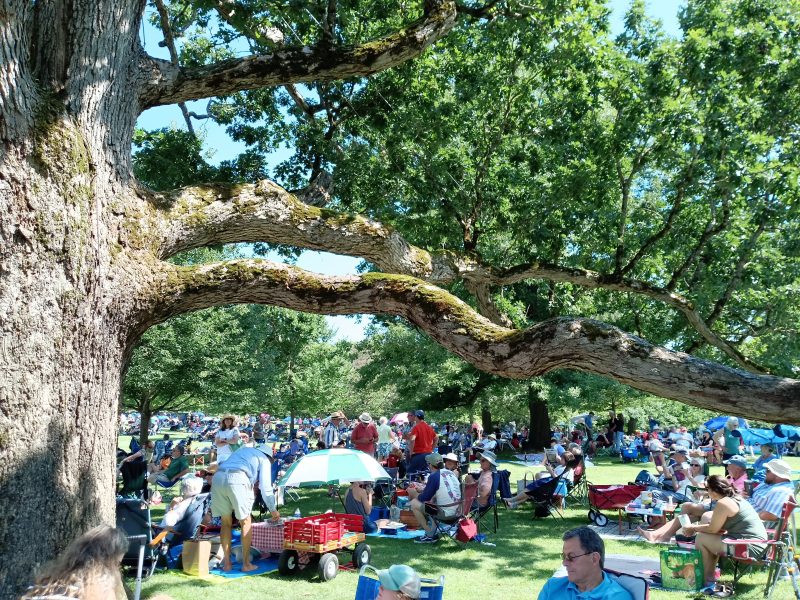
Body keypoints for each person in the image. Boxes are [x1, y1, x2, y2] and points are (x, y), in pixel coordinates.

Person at [687, 475, 767, 595]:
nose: (707, 491)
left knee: (702, 538)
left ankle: (706, 580)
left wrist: (693, 528)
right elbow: (717, 528)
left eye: (708, 489)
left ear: (714, 490)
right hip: (759, 546)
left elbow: (713, 529)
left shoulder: (723, 503)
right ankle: (708, 579)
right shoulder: (736, 499)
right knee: (708, 538)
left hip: (749, 547)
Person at [211, 443, 279, 572]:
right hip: (238, 478)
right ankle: (246, 564)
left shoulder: (244, 450)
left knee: (225, 523)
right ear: (269, 457)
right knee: (245, 522)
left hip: (218, 477)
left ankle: (227, 564)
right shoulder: (264, 459)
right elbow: (265, 487)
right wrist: (273, 510)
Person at [21, 525, 130, 600]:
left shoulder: (43, 585)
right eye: (116, 564)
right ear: (109, 563)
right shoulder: (101, 593)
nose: (117, 570)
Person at [537, 526, 632, 600]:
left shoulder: (616, 597)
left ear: (594, 559)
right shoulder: (552, 587)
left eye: (571, 557)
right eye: (564, 556)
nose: (564, 563)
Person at [409, 453, 462, 544]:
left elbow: (424, 498)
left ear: (430, 465)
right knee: (433, 502)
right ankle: (433, 532)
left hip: (447, 514)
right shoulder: (450, 473)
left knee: (414, 503)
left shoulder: (434, 476)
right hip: (458, 511)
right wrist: (424, 490)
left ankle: (429, 534)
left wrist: (414, 493)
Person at [504, 452, 580, 509]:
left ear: (566, 460)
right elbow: (555, 475)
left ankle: (512, 500)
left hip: (555, 488)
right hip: (553, 485)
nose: (560, 459)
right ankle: (512, 504)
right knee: (531, 490)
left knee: (531, 490)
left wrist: (550, 470)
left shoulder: (567, 470)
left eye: (562, 458)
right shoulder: (562, 467)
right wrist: (549, 469)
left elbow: (557, 478)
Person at [406, 410, 437, 475]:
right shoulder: (429, 427)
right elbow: (436, 438)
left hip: (418, 455)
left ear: (416, 417)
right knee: (424, 475)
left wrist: (411, 452)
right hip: (428, 455)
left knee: (411, 475)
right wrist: (432, 449)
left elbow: (412, 440)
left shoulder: (416, 427)